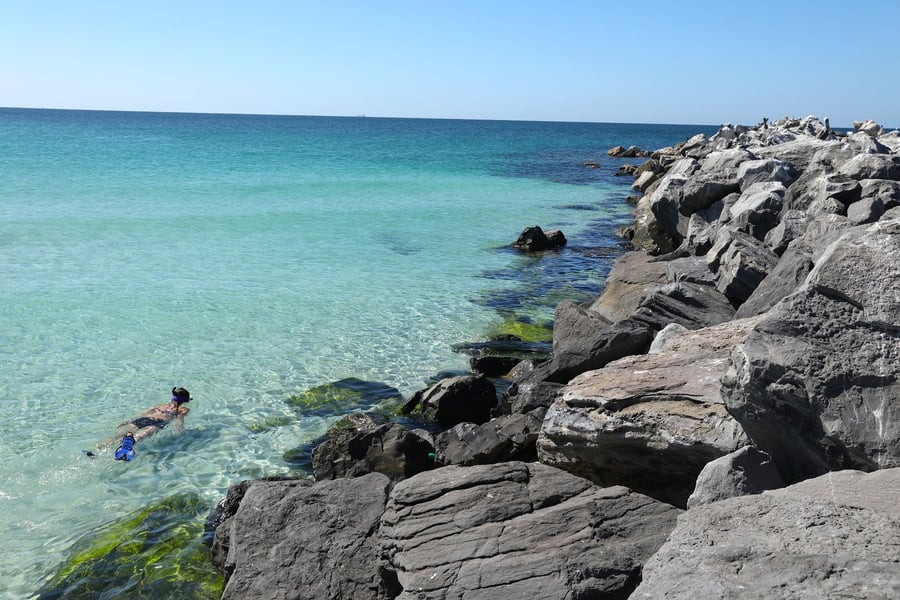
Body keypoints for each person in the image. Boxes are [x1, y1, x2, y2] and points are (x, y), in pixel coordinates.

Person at [102, 386, 193, 448]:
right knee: (138, 437)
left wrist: (128, 421)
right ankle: (126, 446)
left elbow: (143, 413)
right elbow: (179, 421)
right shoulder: (183, 409)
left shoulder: (161, 405)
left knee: (116, 436)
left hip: (143, 419)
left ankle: (99, 448)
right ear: (185, 400)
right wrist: (181, 434)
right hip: (158, 423)